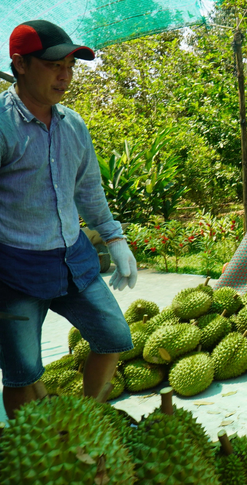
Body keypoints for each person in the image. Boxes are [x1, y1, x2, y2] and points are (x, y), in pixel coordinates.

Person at [0, 20, 137, 418]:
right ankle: (34, 454)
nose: (66, 75)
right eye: (54, 64)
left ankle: (87, 418)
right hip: (14, 268)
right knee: (23, 372)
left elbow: (88, 188)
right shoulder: (4, 125)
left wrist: (115, 239)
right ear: (20, 65)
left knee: (114, 337)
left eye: (71, 66)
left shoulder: (73, 125)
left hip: (73, 260)